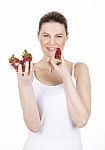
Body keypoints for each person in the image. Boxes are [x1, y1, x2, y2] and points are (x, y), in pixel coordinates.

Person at [17, 11, 91, 150]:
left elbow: (81, 120)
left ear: (66, 38)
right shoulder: (27, 71)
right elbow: (33, 126)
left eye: (58, 36)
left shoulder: (79, 69)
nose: (52, 42)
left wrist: (65, 77)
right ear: (38, 36)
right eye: (46, 35)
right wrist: (26, 84)